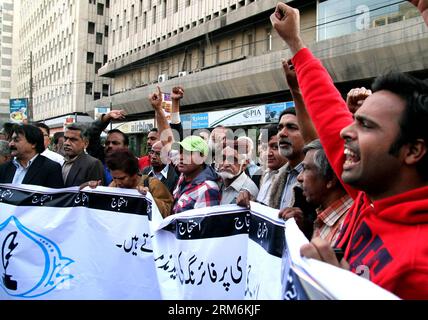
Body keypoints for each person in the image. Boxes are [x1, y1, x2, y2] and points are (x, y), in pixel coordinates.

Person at [271, 2, 428, 298]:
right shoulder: (370, 196)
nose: (344, 131)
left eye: (366, 125)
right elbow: (329, 113)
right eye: (353, 120)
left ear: (413, 150)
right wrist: (295, 42)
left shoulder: (421, 267)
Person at [280, 139, 353, 245]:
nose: (299, 177)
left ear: (330, 179)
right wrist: (302, 230)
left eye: (306, 169)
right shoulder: (322, 218)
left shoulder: (349, 227)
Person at [92, 148, 173, 218]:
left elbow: (168, 212)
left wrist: (148, 198)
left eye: (122, 178)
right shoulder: (113, 185)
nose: (117, 182)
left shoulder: (153, 184)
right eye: (114, 178)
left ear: (134, 174)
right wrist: (97, 193)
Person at [172, 136, 221, 214]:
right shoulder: (183, 177)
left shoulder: (207, 189)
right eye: (180, 152)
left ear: (202, 157)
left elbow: (204, 224)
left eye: (188, 153)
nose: (181, 157)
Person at [62, 123, 105, 187]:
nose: (67, 143)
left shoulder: (93, 164)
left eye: (73, 140)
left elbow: (95, 193)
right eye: (65, 138)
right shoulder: (63, 161)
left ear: (85, 143)